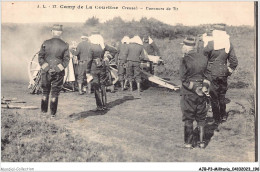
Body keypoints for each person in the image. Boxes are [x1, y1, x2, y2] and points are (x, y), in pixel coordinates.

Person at [203, 24, 238, 125]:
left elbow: (203, 59)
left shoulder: (210, 44)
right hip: (223, 73)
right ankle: (223, 116)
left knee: (213, 96)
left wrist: (204, 72)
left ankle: (216, 118)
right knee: (222, 95)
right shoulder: (228, 44)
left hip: (211, 73)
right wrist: (228, 71)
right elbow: (234, 61)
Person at [179, 37, 210, 149]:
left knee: (188, 117)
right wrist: (204, 88)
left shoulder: (185, 59)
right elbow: (208, 76)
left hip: (189, 94)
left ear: (187, 47)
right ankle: (202, 143)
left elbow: (183, 79)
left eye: (183, 46)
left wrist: (194, 88)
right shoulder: (204, 58)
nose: (182, 48)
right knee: (201, 117)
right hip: (202, 93)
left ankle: (188, 144)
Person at [38, 24, 70, 117]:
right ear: (61, 33)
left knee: (45, 92)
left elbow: (40, 58)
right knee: (55, 93)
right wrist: (56, 69)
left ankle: (43, 113)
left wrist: (48, 69)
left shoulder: (45, 43)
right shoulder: (65, 45)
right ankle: (52, 115)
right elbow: (66, 60)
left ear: (52, 32)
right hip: (58, 73)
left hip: (46, 72)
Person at [86, 31, 117, 111]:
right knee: (103, 85)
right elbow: (114, 50)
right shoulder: (103, 45)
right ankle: (104, 105)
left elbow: (89, 60)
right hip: (102, 67)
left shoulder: (91, 47)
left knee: (96, 86)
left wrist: (87, 71)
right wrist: (108, 57)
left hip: (94, 68)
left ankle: (99, 106)